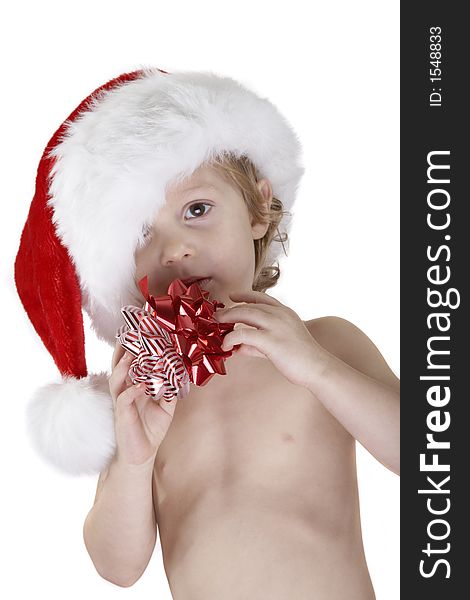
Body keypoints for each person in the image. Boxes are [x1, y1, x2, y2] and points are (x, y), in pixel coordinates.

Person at [15, 66, 399, 599]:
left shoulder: (327, 343)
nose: (175, 250)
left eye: (197, 209)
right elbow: (116, 566)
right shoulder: (140, 395)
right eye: (141, 234)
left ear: (260, 209)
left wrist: (318, 369)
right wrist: (134, 458)